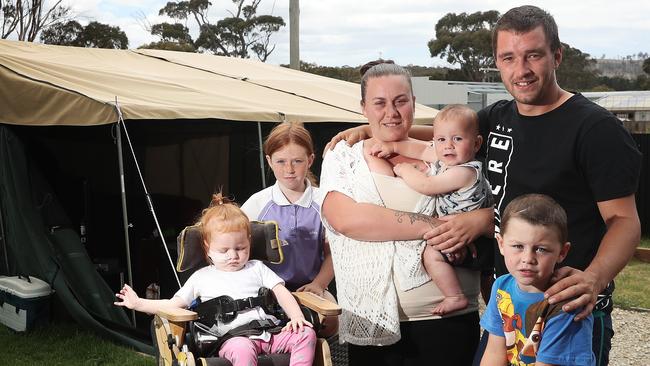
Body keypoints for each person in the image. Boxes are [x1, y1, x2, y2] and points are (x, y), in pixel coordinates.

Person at [326, 6, 642, 365]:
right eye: (508, 58)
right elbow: (446, 135)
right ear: (497, 61)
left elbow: (625, 222)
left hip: (565, 310)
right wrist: (371, 130)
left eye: (533, 55)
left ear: (557, 55)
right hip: (503, 307)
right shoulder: (499, 117)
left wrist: (595, 278)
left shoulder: (595, 130)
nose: (520, 70)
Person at [319, 60, 483, 366]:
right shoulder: (343, 155)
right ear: (363, 108)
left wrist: (479, 221)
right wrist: (439, 227)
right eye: (379, 103)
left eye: (400, 102)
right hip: (373, 321)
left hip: (449, 321)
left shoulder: (449, 150)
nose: (391, 112)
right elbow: (348, 220)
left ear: (414, 103)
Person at [115, 194, 316, 366]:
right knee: (242, 348)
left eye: (241, 248)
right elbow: (172, 305)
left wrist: (296, 317)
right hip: (233, 338)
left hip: (270, 333)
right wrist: (138, 303)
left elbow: (281, 291)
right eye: (224, 250)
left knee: (306, 334)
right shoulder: (202, 278)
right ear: (207, 248)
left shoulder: (257, 268)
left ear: (249, 241)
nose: (233, 256)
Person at [369, 104, 492, 315]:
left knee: (430, 254)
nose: (448, 146)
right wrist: (394, 148)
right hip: (461, 231)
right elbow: (422, 150)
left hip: (473, 238)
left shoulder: (465, 171)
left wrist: (405, 170)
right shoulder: (448, 160)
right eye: (441, 140)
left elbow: (427, 187)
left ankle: (455, 296)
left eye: (458, 139)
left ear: (476, 143)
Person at [241, 121, 338, 336]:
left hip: (309, 288)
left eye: (297, 161)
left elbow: (334, 253)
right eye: (281, 161)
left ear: (311, 160)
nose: (289, 169)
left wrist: (318, 284)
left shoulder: (325, 202)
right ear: (269, 161)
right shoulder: (257, 204)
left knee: (330, 320)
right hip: (265, 292)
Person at [480, 194, 595, 366]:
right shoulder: (502, 287)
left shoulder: (564, 304)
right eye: (518, 246)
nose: (528, 258)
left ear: (562, 252)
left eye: (541, 249)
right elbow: (494, 352)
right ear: (501, 244)